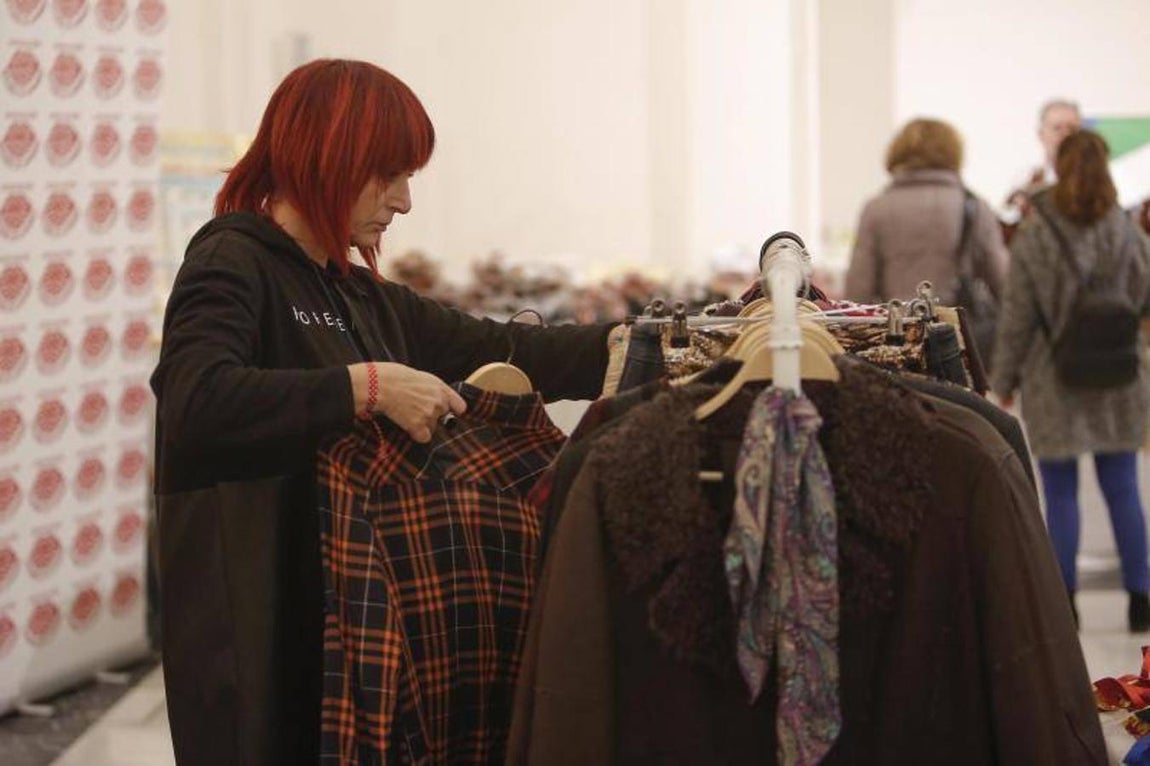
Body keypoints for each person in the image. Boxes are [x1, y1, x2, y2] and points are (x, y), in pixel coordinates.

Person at [150, 59, 621, 766]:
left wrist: (644, 346)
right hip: (255, 626)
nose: (402, 202)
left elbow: (509, 347)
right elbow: (194, 399)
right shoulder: (230, 262)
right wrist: (365, 387)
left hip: (346, 632)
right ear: (328, 157)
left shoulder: (362, 297)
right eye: (389, 175)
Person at [991, 129, 1150, 632]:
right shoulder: (1126, 231)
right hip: (1119, 374)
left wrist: (1004, 379)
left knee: (1059, 491)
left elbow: (1017, 314)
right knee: (1122, 486)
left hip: (1053, 375)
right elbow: (1144, 296)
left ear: (1058, 167)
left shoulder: (1038, 234)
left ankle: (1066, 601)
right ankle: (1141, 597)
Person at [843, 117, 1009, 309]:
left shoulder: (876, 208)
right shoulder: (974, 207)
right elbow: (1004, 283)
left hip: (895, 330)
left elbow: (858, 290)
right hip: (956, 332)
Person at [1001, 99, 1083, 240]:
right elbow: (1008, 223)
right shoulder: (1025, 178)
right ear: (1041, 134)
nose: (1065, 135)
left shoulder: (1097, 180)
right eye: (1057, 128)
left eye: (1071, 129)